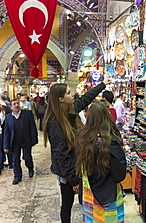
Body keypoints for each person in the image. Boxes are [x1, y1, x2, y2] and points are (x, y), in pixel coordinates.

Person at [43, 82, 106, 223]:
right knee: (67, 204)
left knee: (84, 202)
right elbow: (61, 155)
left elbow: (86, 98)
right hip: (67, 173)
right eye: (68, 93)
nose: (73, 94)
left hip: (79, 168)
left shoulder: (71, 111)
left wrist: (102, 85)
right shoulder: (55, 123)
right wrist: (73, 179)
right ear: (60, 99)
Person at [75, 100, 126, 222]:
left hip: (88, 194)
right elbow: (119, 174)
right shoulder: (111, 142)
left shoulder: (82, 138)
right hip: (108, 196)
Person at [3, 99, 38, 185]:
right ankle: (17, 176)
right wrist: (5, 145)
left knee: (27, 157)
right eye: (14, 104)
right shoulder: (8, 117)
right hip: (14, 142)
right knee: (15, 160)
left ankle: (30, 168)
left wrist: (34, 140)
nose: (16, 105)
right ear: (11, 107)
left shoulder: (27, 114)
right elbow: (6, 132)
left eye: (17, 103)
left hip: (26, 141)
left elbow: (32, 127)